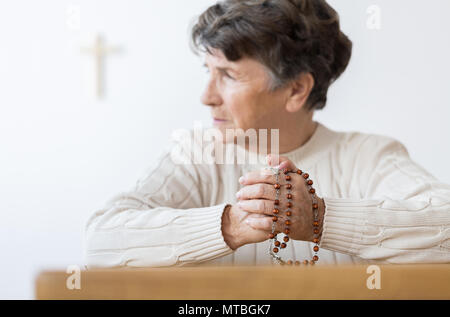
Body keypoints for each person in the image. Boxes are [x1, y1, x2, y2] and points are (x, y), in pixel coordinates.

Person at [84, 0, 450, 268]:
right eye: (208, 71)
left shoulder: (368, 156)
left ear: (295, 90)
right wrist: (230, 225)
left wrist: (319, 218)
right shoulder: (195, 155)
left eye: (228, 75)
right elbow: (101, 243)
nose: (206, 97)